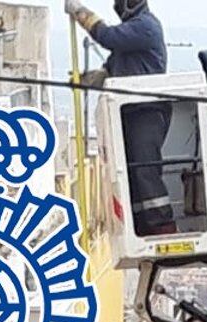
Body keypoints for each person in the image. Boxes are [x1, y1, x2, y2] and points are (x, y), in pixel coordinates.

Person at [66, 0, 174, 235]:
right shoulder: (132, 36)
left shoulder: (146, 26)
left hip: (146, 111)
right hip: (130, 111)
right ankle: (142, 224)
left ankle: (161, 223)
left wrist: (81, 13)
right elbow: (113, 69)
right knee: (132, 169)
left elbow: (107, 36)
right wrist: (90, 79)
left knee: (145, 168)